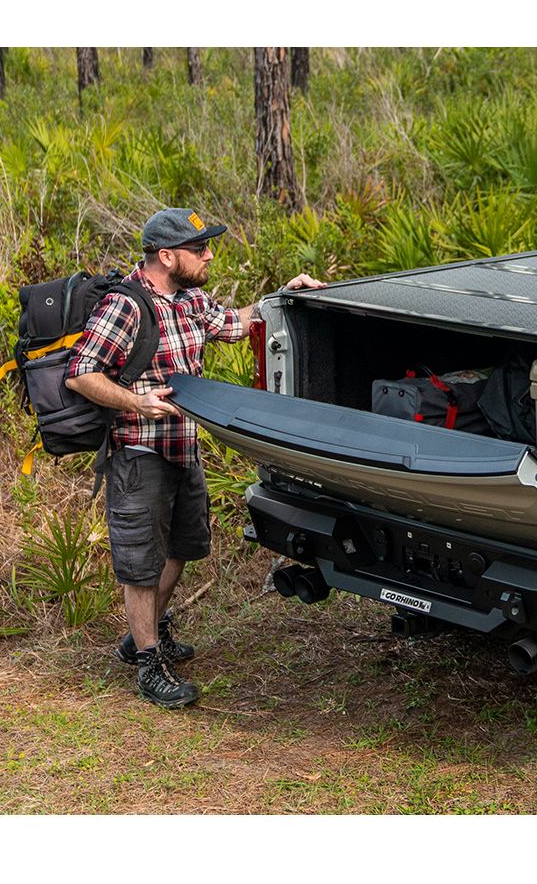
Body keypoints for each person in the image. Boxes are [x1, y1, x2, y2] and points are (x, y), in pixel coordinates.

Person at [65, 208, 326, 708]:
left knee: (184, 546)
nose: (209, 254)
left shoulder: (191, 301)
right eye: (199, 248)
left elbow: (239, 322)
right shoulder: (126, 306)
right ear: (166, 256)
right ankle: (148, 664)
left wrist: (283, 295)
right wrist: (135, 401)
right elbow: (81, 373)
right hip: (139, 451)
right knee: (140, 563)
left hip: (184, 447)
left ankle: (144, 634)